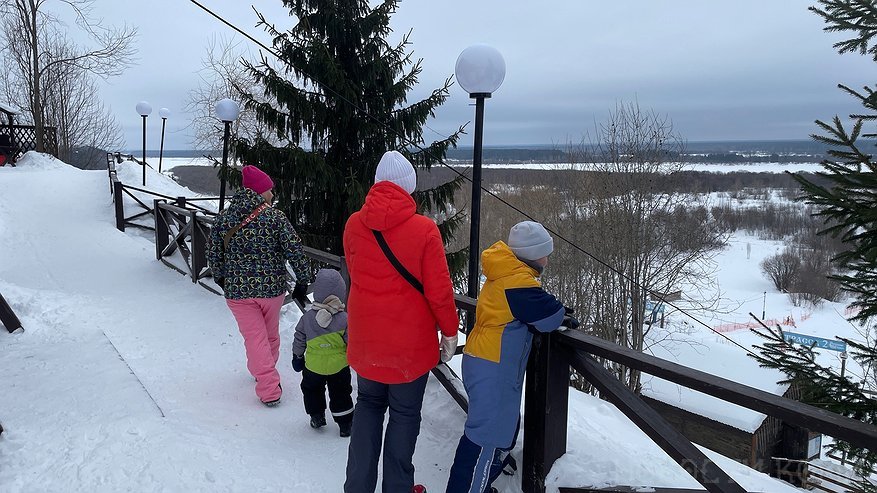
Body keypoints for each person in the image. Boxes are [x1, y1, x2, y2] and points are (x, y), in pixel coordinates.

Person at [343, 150, 460, 493]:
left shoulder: (353, 224)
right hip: (409, 350)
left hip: (366, 343)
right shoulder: (424, 230)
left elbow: (355, 273)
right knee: (405, 415)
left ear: (378, 184)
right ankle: (397, 487)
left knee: (367, 406)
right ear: (409, 188)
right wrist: (450, 333)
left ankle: (357, 487)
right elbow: (439, 291)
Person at [445, 221, 579, 493]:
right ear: (532, 255)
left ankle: (480, 485)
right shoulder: (518, 284)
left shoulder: (506, 274)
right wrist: (561, 313)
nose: (547, 259)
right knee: (486, 439)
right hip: (493, 368)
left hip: (484, 361)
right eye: (545, 253)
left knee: (499, 432)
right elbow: (549, 316)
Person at [207, 164, 312, 406]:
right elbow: (294, 250)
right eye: (269, 190)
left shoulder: (224, 218)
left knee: (256, 338)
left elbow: (213, 254)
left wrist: (222, 278)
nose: (273, 195)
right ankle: (269, 387)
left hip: (238, 293)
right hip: (271, 290)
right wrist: (303, 279)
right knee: (268, 336)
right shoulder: (275, 217)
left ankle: (261, 369)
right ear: (259, 191)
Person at [291, 268, 354, 437]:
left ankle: (316, 415)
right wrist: (353, 356)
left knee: (312, 390)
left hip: (313, 366)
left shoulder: (307, 318)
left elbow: (299, 338)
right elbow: (351, 340)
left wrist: (297, 356)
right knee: (341, 392)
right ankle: (345, 423)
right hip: (339, 366)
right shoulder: (344, 319)